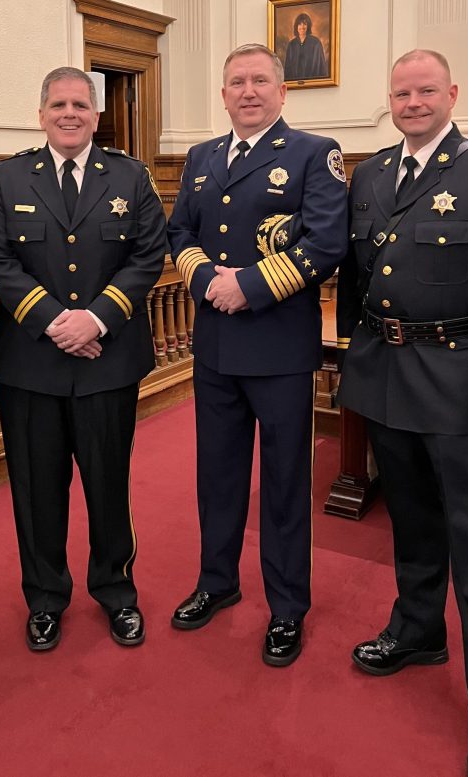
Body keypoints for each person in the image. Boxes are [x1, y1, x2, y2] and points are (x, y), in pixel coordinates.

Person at [336, 50, 468, 777]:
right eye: (402, 91)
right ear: (389, 99)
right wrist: (350, 360)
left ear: (451, 94)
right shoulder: (368, 175)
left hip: (460, 383)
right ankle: (418, 629)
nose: (414, 101)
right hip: (387, 376)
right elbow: (358, 277)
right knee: (412, 522)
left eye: (427, 90)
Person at [167, 43, 348, 666]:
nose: (248, 91)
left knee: (283, 483)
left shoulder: (311, 154)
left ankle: (287, 606)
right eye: (236, 82)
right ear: (223, 94)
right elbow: (179, 231)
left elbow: (325, 243)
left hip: (278, 346)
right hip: (215, 345)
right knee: (216, 477)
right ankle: (216, 581)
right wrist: (202, 279)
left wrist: (247, 286)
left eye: (260, 81)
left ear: (282, 91)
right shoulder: (201, 157)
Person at [0, 67, 166, 652]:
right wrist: (56, 321)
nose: (69, 113)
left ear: (95, 114)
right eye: (58, 103)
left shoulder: (130, 176)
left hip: (108, 358)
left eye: (80, 104)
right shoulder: (7, 177)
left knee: (109, 484)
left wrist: (96, 318)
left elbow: (148, 255)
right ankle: (45, 598)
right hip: (32, 363)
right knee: (36, 490)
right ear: (41, 113)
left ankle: (116, 591)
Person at [283, 12, 327, 81]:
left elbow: (321, 66)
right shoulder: (291, 44)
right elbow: (287, 68)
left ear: (308, 26)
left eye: (305, 24)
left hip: (313, 84)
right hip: (294, 85)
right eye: (299, 24)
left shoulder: (316, 43)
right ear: (296, 27)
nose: (302, 27)